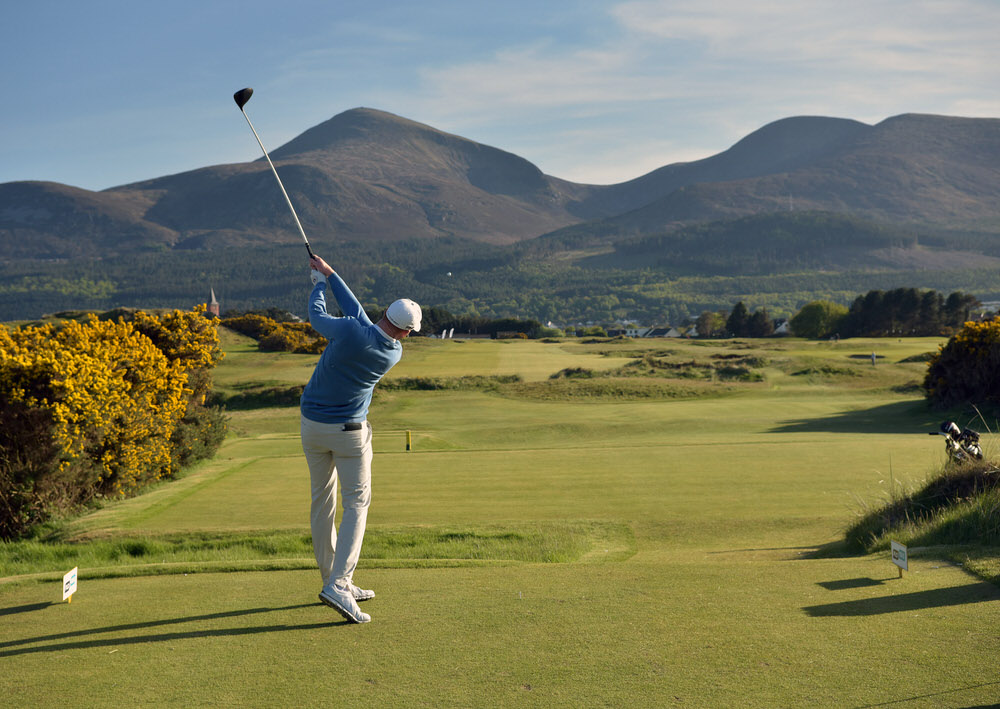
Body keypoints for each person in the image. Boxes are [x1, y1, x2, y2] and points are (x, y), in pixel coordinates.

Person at [300, 253, 421, 623]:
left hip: (311, 426)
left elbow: (320, 318)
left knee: (323, 504)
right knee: (356, 505)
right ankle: (339, 583)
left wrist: (320, 283)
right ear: (405, 332)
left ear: (385, 313)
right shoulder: (393, 351)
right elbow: (358, 315)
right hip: (350, 434)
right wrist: (331, 274)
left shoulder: (356, 332)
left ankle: (334, 579)